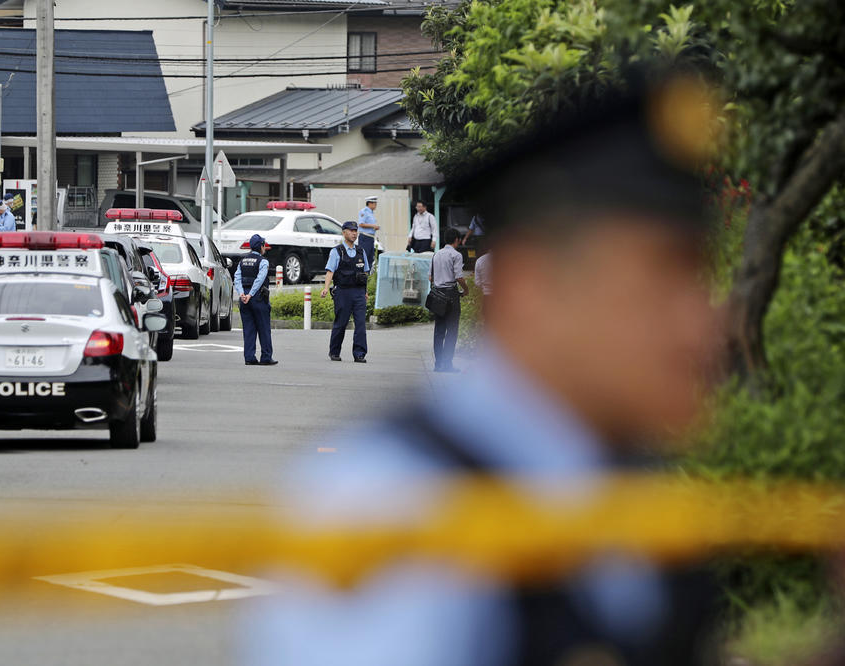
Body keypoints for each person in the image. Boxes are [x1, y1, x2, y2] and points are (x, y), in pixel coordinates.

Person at [243, 75, 723, 665]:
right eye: (662, 279)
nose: (704, 325)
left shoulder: (638, 488)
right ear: (530, 290)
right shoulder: (401, 501)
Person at [320, 220, 371, 363]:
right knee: (341, 323)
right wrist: (325, 288)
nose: (354, 233)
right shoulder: (337, 251)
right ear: (344, 233)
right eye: (351, 231)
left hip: (359, 293)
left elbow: (365, 272)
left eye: (356, 231)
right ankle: (334, 352)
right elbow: (330, 271)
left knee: (360, 324)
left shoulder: (361, 251)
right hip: (343, 292)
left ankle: (359, 354)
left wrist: (365, 291)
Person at [234, 234, 277, 366]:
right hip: (257, 297)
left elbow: (237, 278)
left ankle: (249, 357)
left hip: (244, 298)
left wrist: (242, 294)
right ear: (261, 246)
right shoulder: (263, 261)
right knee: (263, 328)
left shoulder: (242, 261)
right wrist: (251, 294)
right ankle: (266, 357)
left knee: (248, 329)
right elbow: (260, 279)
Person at [430, 227, 468, 372]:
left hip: (438, 294)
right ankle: (447, 364)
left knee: (439, 330)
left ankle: (438, 364)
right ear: (457, 240)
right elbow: (459, 277)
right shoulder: (456, 255)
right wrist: (466, 289)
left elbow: (430, 277)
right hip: (451, 295)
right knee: (452, 331)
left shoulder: (436, 255)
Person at [357, 196, 379, 265]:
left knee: (370, 258)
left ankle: (368, 275)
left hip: (370, 238)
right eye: (374, 203)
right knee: (364, 257)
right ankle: (362, 274)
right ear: (370, 203)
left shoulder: (371, 213)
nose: (376, 205)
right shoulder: (364, 212)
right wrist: (373, 226)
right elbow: (361, 224)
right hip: (365, 237)